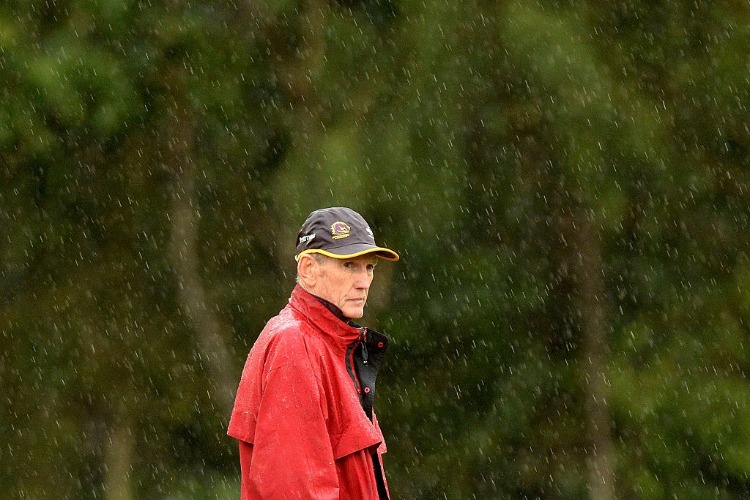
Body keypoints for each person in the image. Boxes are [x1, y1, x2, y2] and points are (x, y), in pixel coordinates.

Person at [227, 206, 399, 499]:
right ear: (308, 269)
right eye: (349, 266)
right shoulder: (294, 344)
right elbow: (292, 489)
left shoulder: (329, 345)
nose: (364, 281)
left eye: (369, 267)